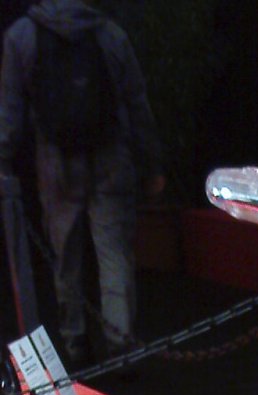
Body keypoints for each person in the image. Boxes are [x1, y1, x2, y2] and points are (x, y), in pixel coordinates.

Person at [0, 0, 163, 368]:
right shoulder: (109, 33)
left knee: (65, 258)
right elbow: (137, 102)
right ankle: (121, 346)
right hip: (110, 157)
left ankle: (75, 345)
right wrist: (152, 164)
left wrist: (4, 161)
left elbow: (9, 113)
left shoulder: (22, 36)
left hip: (54, 164)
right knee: (114, 255)